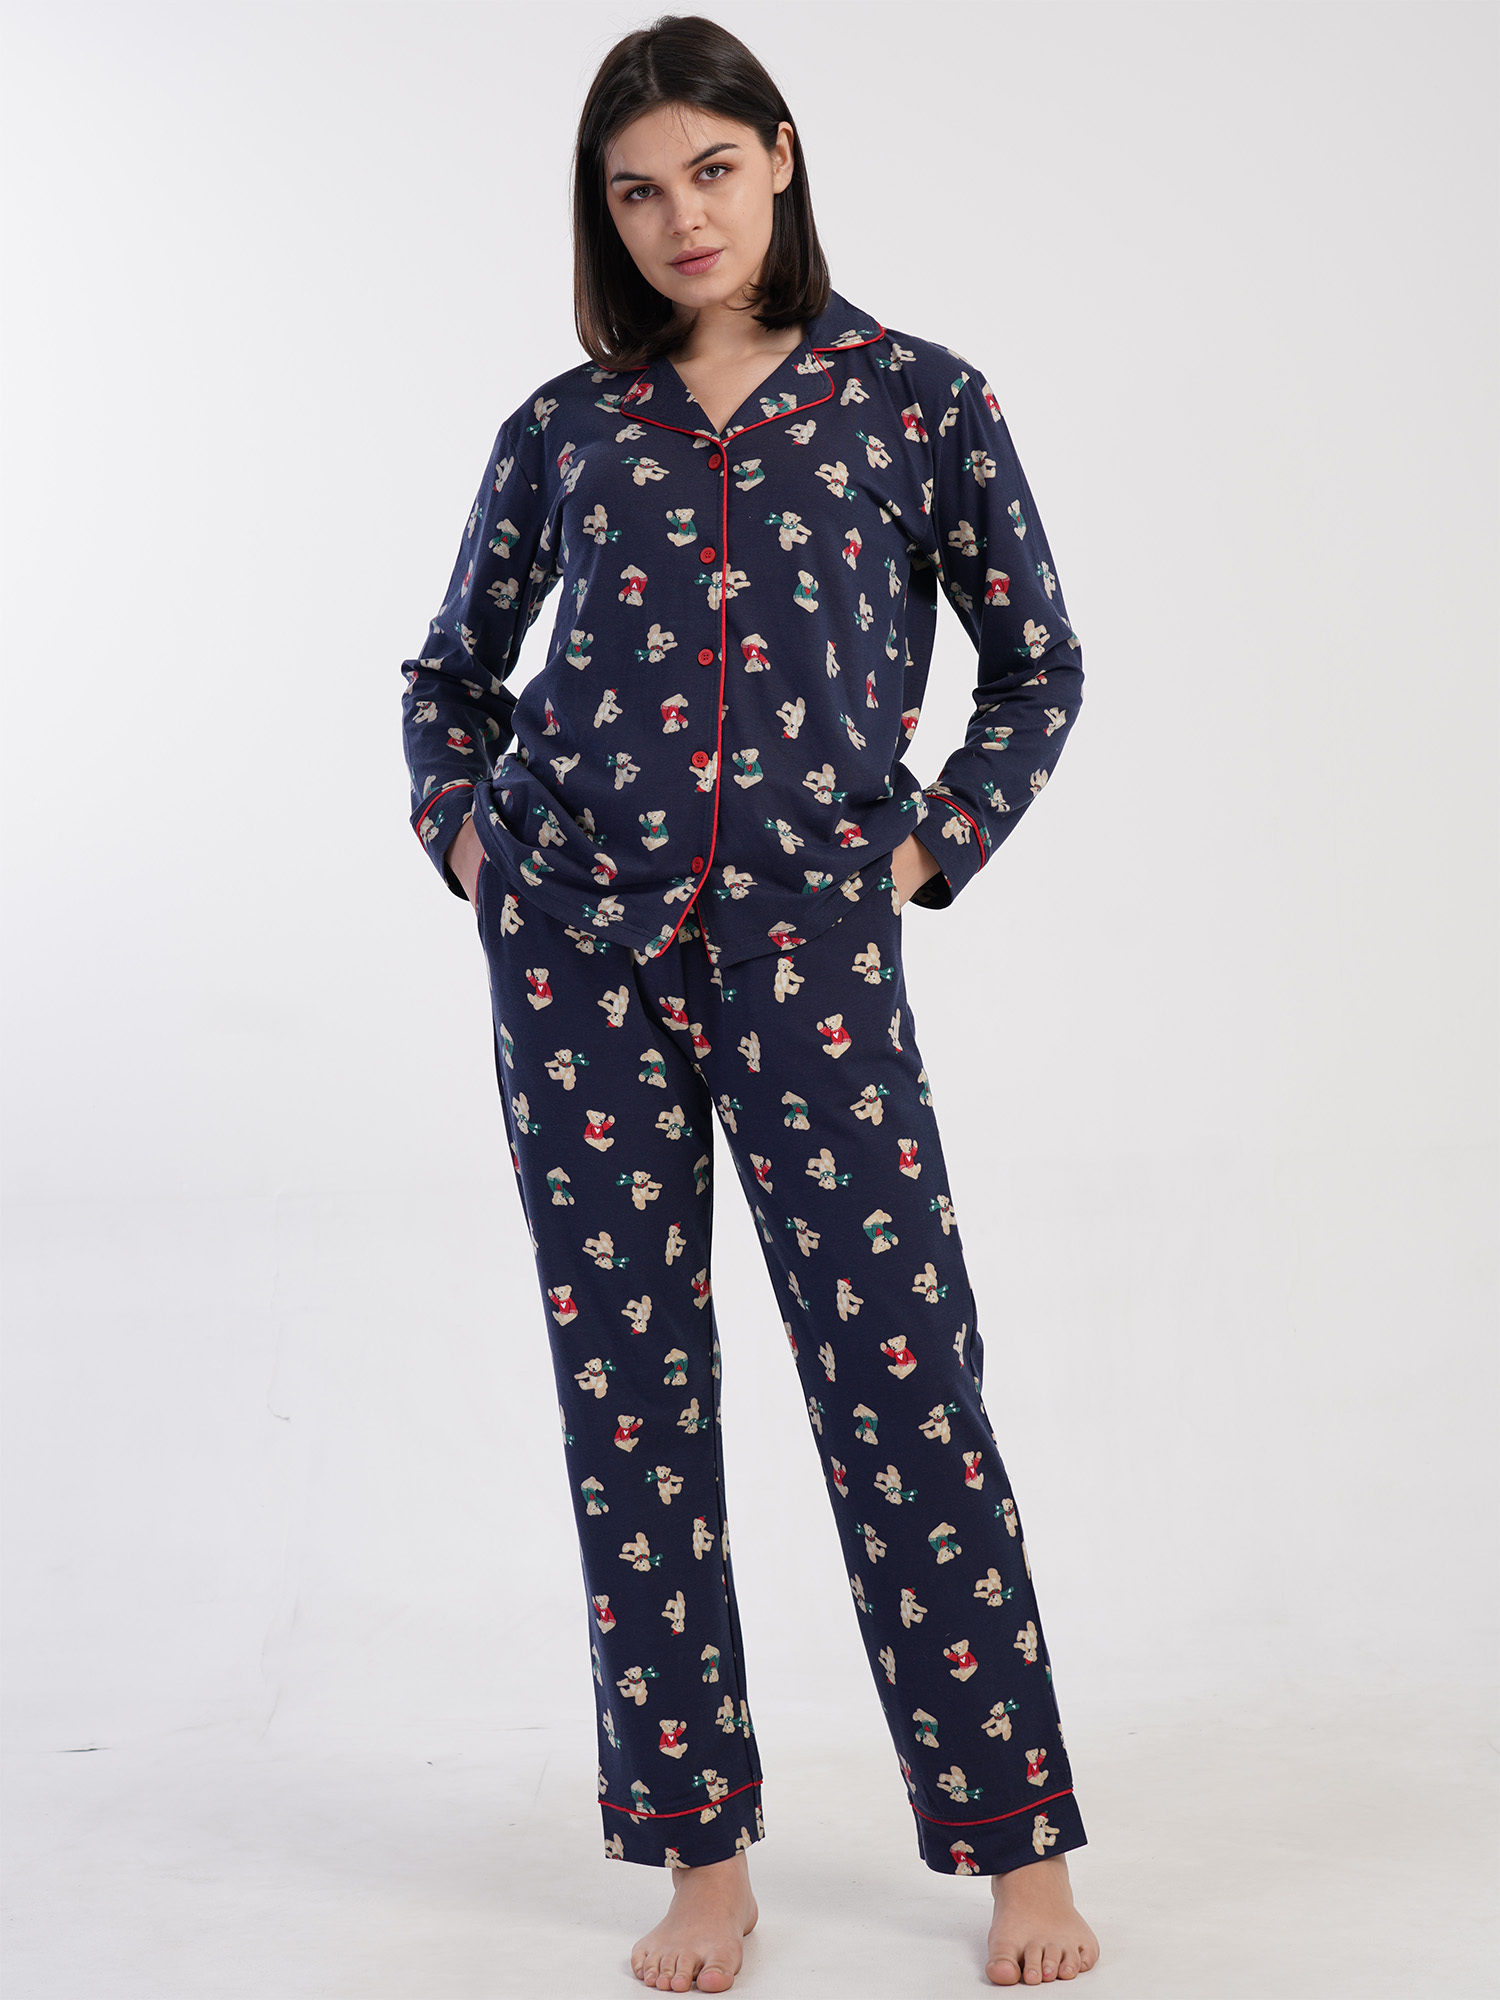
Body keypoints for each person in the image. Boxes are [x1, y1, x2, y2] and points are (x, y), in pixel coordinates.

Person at [399, 13, 1101, 1991]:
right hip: (579, 965)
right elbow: (448, 674)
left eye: (710, 169)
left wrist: (924, 849)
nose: (679, 218)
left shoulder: (919, 401)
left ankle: (1018, 1841)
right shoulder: (566, 428)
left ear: (780, 155)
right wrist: (473, 846)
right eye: (636, 191)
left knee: (905, 1384)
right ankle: (699, 1857)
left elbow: (1039, 664)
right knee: (633, 1405)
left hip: (815, 968)